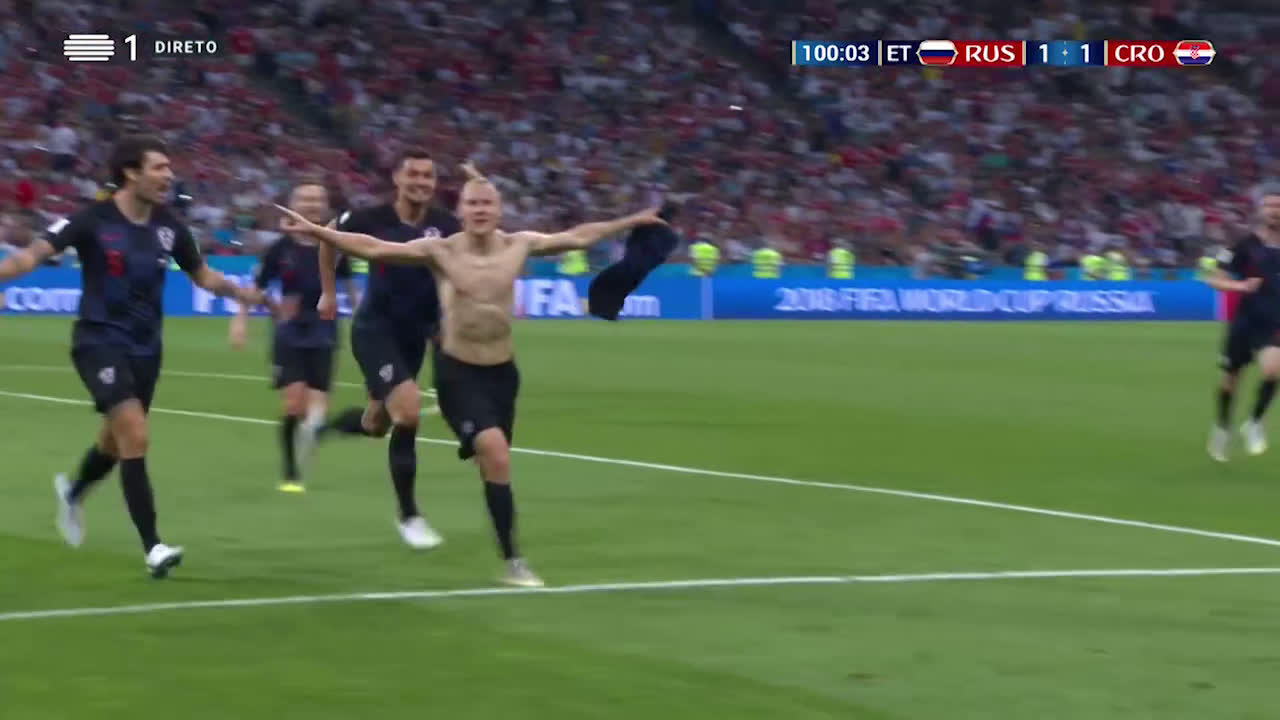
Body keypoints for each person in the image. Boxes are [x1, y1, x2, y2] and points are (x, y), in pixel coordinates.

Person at [277, 165, 667, 587]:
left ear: (499, 211)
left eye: (487, 203)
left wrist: (631, 221)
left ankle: (340, 429)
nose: (480, 210)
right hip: (457, 371)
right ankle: (512, 561)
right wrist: (319, 232)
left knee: (476, 458)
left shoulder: (519, 244)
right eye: (472, 203)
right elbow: (373, 248)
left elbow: (577, 236)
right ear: (460, 211)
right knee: (493, 451)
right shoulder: (441, 250)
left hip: (503, 374)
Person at [0, 134, 264, 577]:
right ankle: (153, 547)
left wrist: (239, 293)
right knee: (135, 435)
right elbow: (31, 257)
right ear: (130, 172)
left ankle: (73, 492)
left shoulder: (169, 227)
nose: (169, 175)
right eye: (159, 167)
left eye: (168, 167)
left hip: (146, 349)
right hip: (98, 340)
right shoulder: (91, 219)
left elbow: (202, 275)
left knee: (114, 442)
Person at [312, 149, 461, 549]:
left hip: (416, 335)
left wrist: (447, 320)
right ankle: (409, 515)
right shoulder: (370, 217)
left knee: (378, 424)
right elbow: (327, 238)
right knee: (408, 412)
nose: (421, 182)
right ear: (397, 178)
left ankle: (330, 427)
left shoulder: (447, 225)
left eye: (428, 176)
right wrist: (328, 292)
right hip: (375, 330)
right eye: (413, 174)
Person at [229, 180, 358, 492]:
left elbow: (351, 291)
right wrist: (241, 319)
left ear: (324, 206)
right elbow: (256, 288)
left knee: (316, 416)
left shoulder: (335, 247)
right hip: (289, 333)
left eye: (317, 199)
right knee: (294, 407)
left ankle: (327, 430)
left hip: (325, 331)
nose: (311, 204)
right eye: (305, 198)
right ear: (293, 205)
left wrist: (364, 321)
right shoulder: (280, 249)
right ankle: (290, 472)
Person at [1206, 185, 1280, 462]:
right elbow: (1214, 279)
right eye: (1270, 206)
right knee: (1230, 381)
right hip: (1245, 320)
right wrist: (1240, 286)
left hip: (1273, 321)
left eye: (1279, 206)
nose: (1275, 211)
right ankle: (1222, 427)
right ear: (1261, 210)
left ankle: (1254, 423)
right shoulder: (1243, 244)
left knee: (1273, 371)